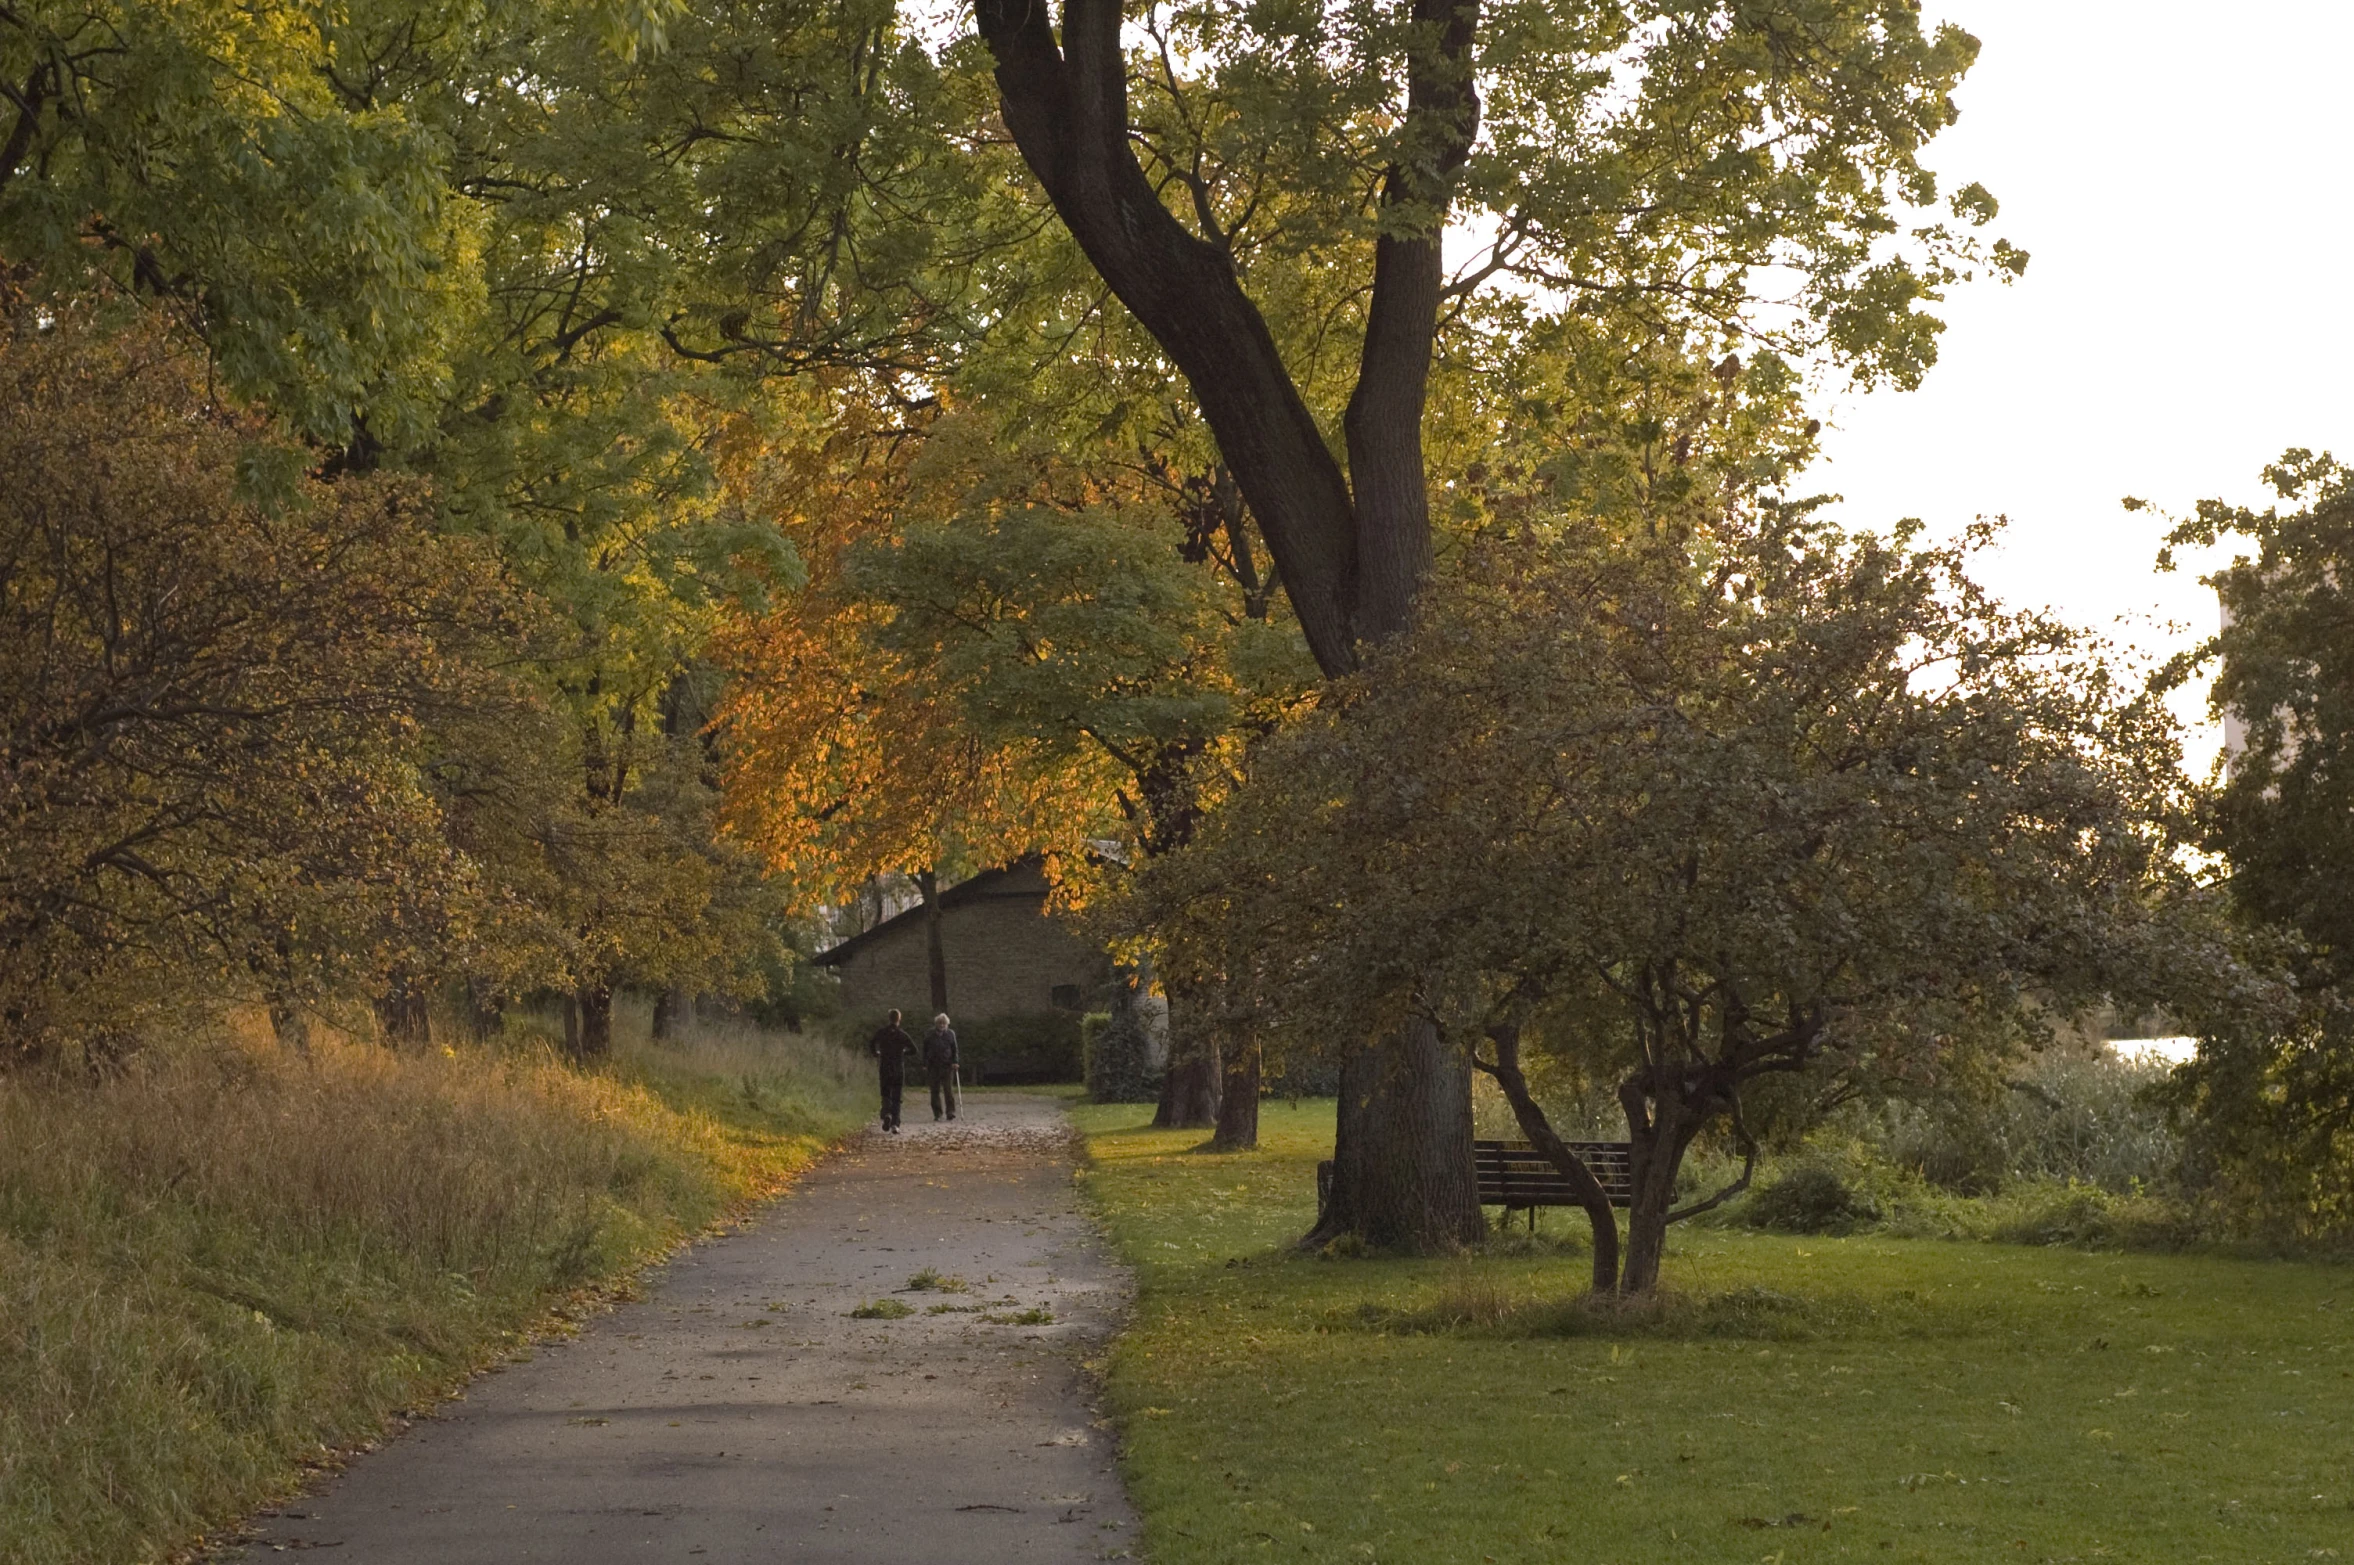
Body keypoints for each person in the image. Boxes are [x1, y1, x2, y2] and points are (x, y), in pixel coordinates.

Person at [868, 1009, 915, 1132]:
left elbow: (872, 1042)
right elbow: (914, 1049)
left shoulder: (882, 1032)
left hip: (885, 1066)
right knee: (897, 1096)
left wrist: (876, 1053)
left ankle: (887, 1114)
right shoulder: (902, 1034)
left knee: (885, 1093)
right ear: (899, 1019)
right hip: (898, 1068)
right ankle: (895, 1124)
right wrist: (904, 1052)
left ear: (889, 1018)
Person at [922, 1012, 960, 1122]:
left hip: (947, 1065)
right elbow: (925, 1050)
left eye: (944, 1023)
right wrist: (924, 1063)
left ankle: (950, 1112)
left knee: (948, 1090)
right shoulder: (930, 1034)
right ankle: (937, 1113)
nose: (942, 1025)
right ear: (936, 1024)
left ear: (947, 1024)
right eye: (940, 1023)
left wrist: (955, 1061)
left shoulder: (950, 1034)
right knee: (935, 1090)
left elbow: (954, 1049)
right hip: (933, 1066)